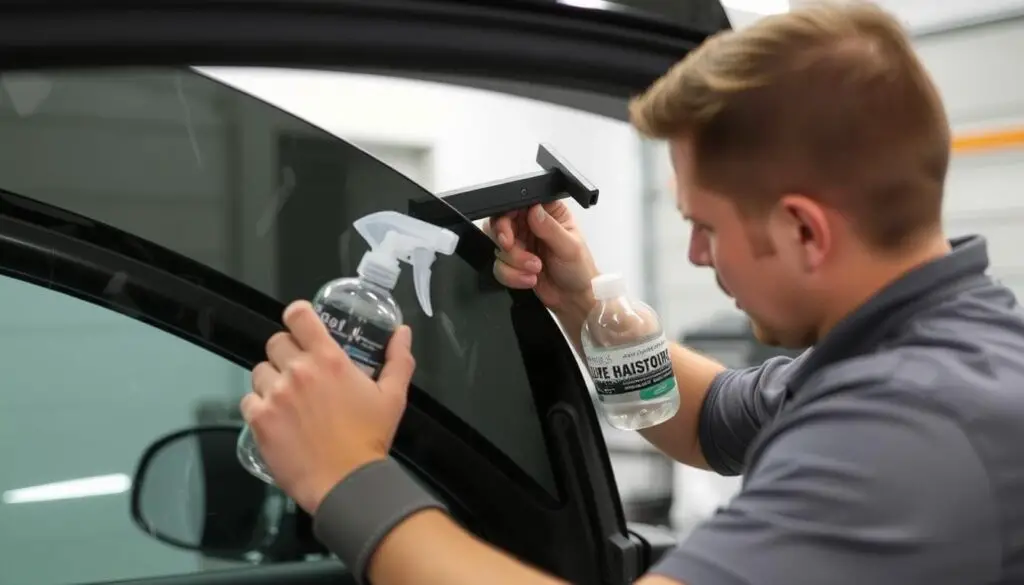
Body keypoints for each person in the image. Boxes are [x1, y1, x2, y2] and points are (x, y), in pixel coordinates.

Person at [239, 2, 1024, 584]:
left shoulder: (909, 432)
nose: (694, 254)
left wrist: (345, 476)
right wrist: (575, 300)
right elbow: (711, 420)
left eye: (706, 228)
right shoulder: (933, 348)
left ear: (805, 232)